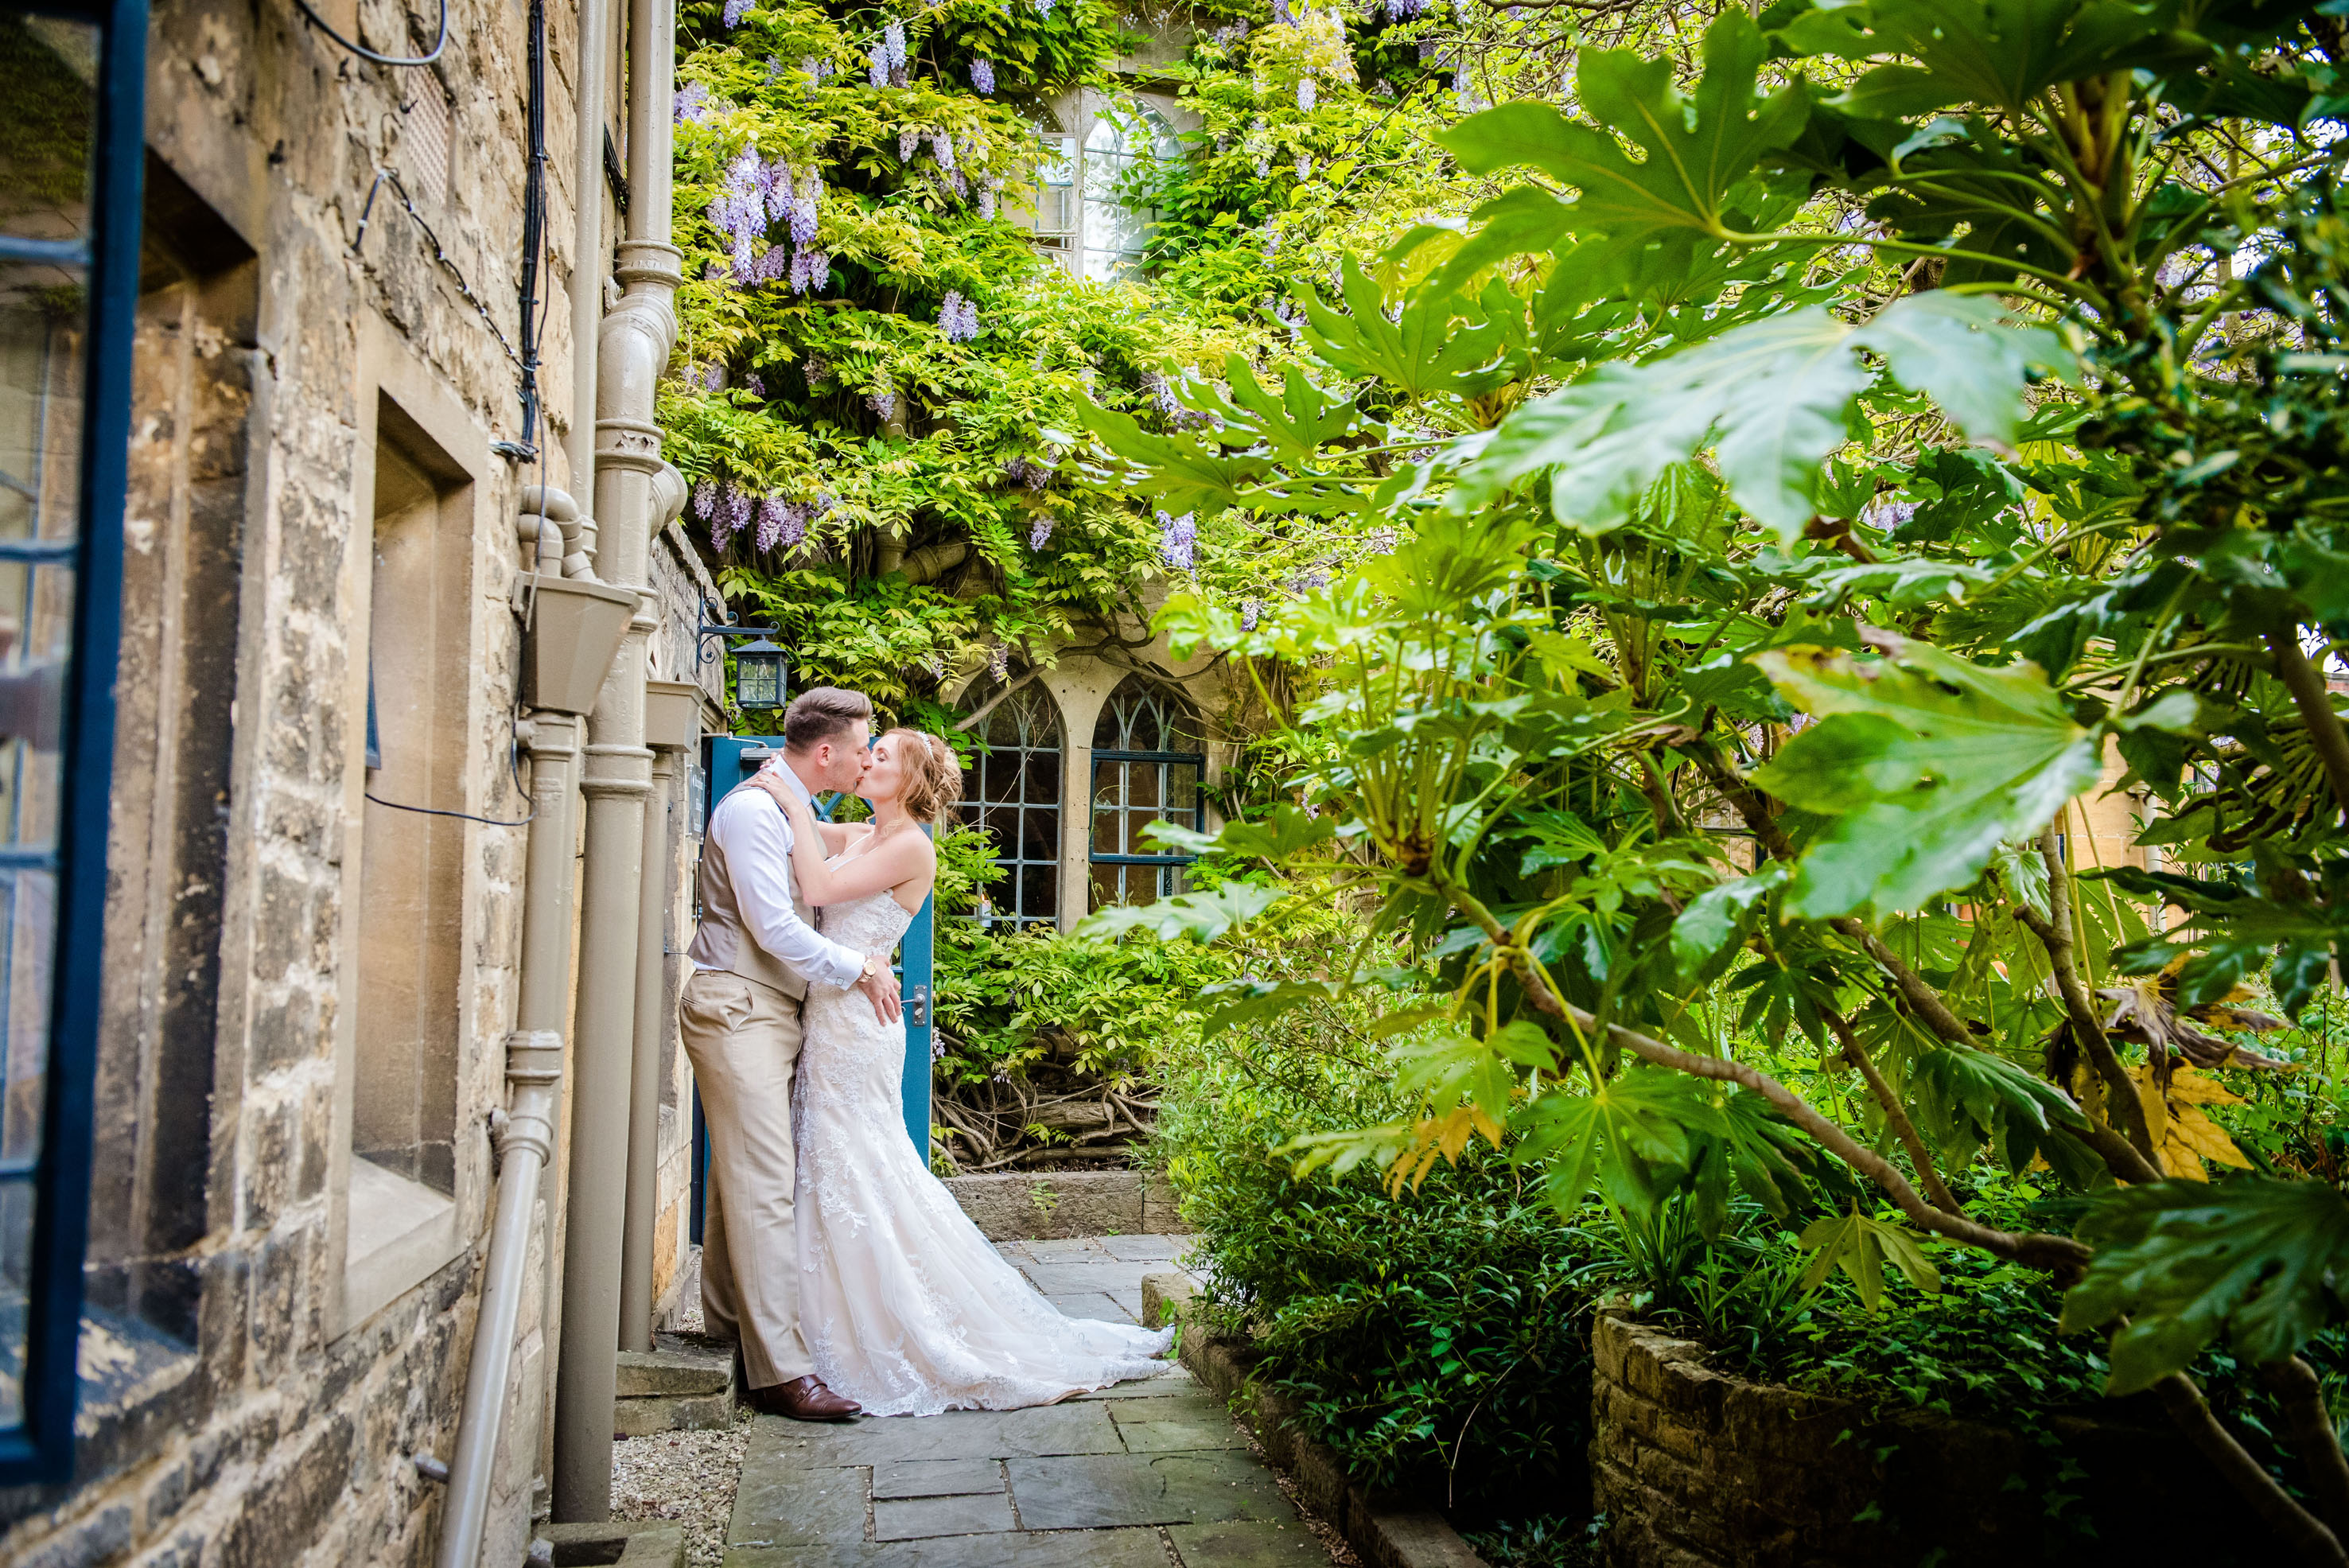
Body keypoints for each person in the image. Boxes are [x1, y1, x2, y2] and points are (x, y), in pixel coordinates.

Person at [752, 727, 1175, 1415]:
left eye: (881, 755)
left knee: (860, 1163)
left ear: (911, 781)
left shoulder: (911, 846)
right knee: (835, 1163)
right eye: (869, 750)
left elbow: (816, 883)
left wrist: (790, 801)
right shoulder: (860, 833)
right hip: (829, 1020)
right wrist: (785, 792)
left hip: (857, 1029)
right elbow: (804, 840)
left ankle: (893, 1325)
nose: (867, 759)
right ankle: (818, 1317)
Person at [677, 687, 901, 1422]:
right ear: (827, 752)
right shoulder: (752, 812)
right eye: (863, 747)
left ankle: (730, 1334)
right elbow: (772, 926)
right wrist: (859, 967)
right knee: (767, 1183)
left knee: (739, 1179)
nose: (867, 759)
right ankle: (782, 1373)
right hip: (738, 1006)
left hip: (769, 1011)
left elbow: (848, 852)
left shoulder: (792, 807)